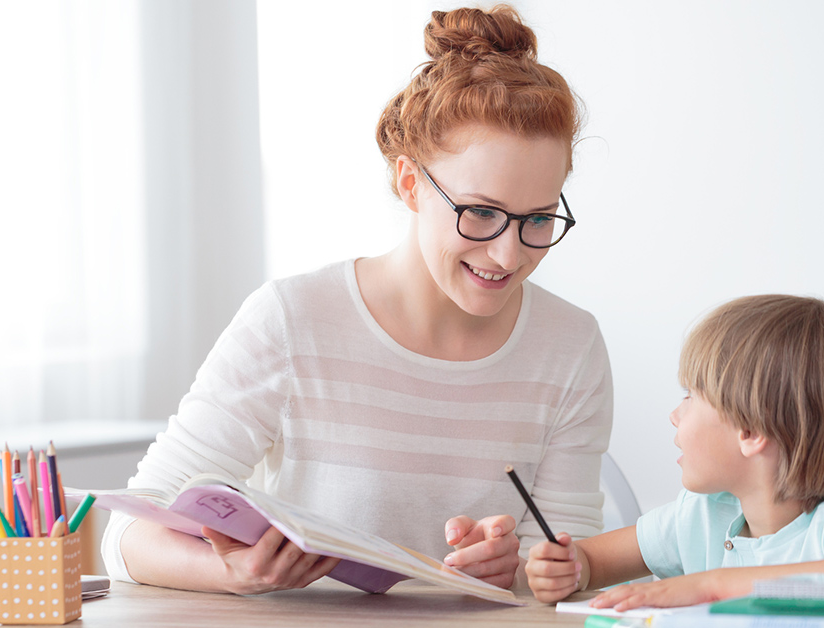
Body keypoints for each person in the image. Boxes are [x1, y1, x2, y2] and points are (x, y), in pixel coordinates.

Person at [101, 5, 614, 595]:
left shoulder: (570, 346)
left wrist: (518, 571)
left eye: (538, 219)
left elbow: (566, 562)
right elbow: (128, 535)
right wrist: (234, 573)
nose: (507, 254)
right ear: (410, 183)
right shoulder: (293, 322)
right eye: (479, 212)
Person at [525, 295, 824, 607]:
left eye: (690, 396)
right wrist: (567, 569)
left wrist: (712, 585)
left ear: (750, 430)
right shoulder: (702, 515)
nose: (675, 415)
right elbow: (591, 563)